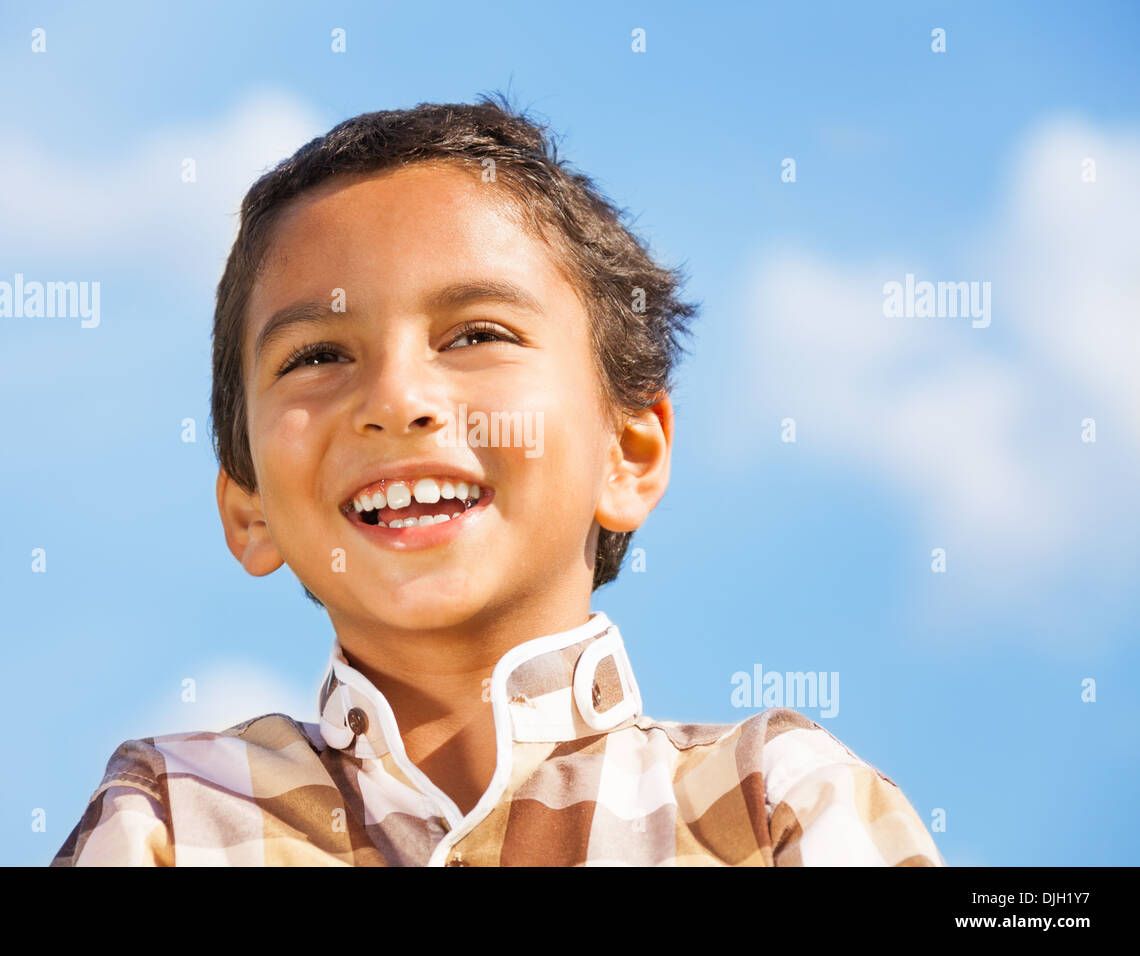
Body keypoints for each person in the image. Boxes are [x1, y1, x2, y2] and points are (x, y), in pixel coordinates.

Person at [52, 94, 943, 866]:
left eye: (476, 335)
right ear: (248, 510)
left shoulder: (776, 805)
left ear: (627, 453)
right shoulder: (171, 817)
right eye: (319, 354)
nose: (396, 399)